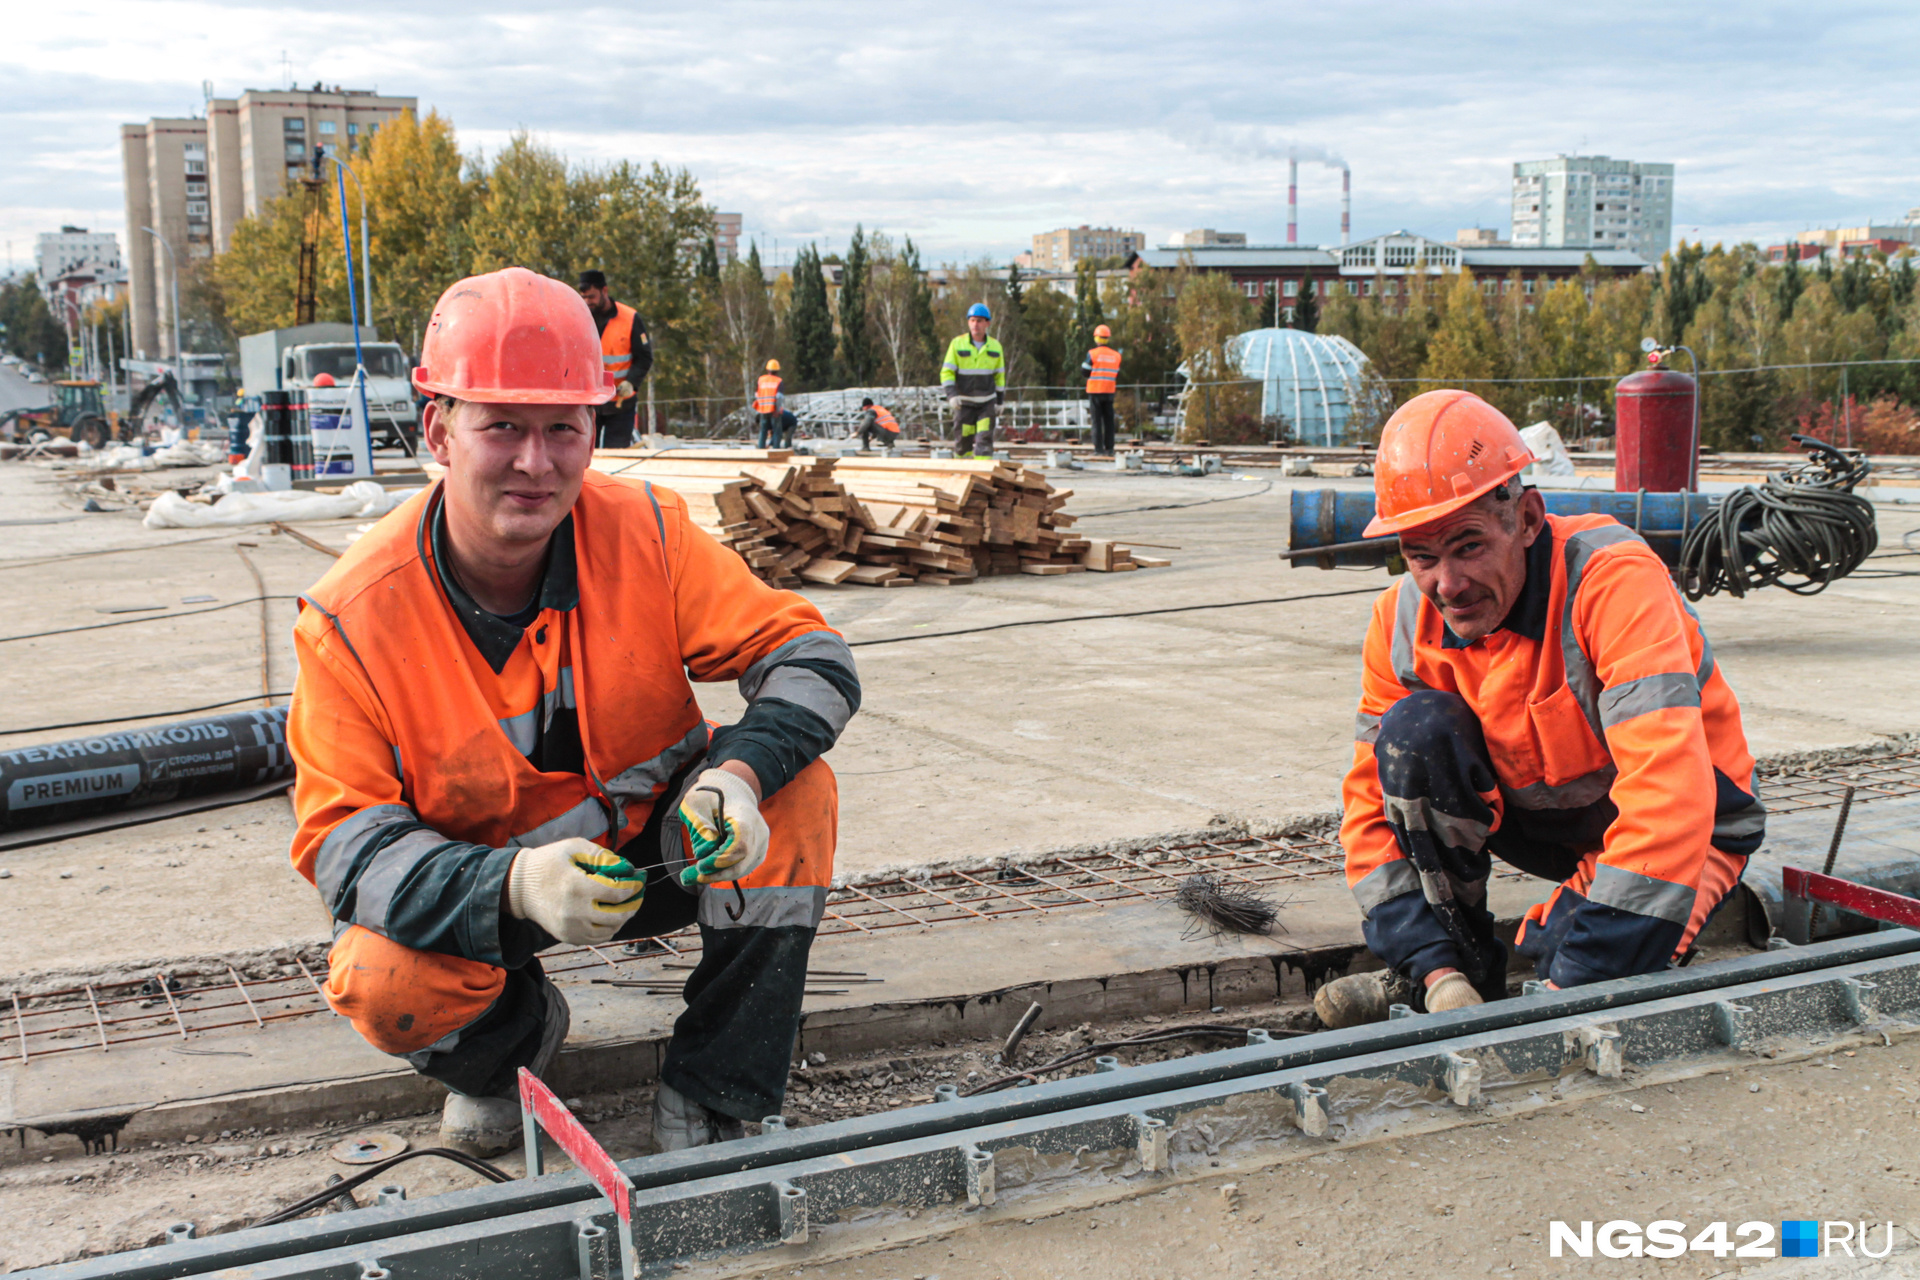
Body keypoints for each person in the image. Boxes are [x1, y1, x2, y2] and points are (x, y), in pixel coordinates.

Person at [287, 268, 860, 1156]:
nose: (536, 461)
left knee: (799, 794)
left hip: (660, 855)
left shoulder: (645, 534)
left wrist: (737, 779)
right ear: (439, 430)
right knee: (382, 979)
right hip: (494, 898)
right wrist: (511, 887)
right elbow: (347, 851)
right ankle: (506, 1053)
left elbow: (812, 656)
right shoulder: (354, 618)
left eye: (564, 427)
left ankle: (718, 1085)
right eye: (502, 426)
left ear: (596, 427)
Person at [1316, 390, 1764, 1028]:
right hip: (1548, 831)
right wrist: (1433, 968)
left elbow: (1670, 795)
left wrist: (1572, 992)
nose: (1447, 583)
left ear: (1525, 519)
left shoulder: (1612, 582)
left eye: (1468, 545)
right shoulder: (1399, 623)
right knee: (1414, 733)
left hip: (1696, 828)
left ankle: (1551, 956)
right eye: (1421, 557)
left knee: (1569, 966)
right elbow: (1370, 817)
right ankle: (1453, 970)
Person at [575, 270, 652, 450]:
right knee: (583, 453)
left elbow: (645, 357)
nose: (588, 302)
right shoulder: (579, 317)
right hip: (589, 400)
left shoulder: (630, 318)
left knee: (616, 452)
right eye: (584, 297)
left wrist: (631, 383)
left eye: (592, 297)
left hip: (621, 402)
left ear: (605, 291)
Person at [940, 303, 1005, 457]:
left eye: (980, 321)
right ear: (968, 322)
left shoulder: (995, 346)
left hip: (986, 404)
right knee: (963, 443)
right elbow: (947, 372)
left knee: (984, 442)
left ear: (987, 323)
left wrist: (1000, 401)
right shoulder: (957, 344)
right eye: (973, 320)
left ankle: (982, 477)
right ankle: (963, 474)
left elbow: (1000, 376)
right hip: (964, 404)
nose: (976, 324)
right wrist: (952, 395)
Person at [1081, 323, 1121, 456]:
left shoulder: (1092, 354)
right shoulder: (1116, 355)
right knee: (1109, 421)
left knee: (1096, 421)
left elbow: (1085, 372)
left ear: (1096, 338)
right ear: (1108, 338)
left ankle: (1098, 450)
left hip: (1095, 391)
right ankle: (1110, 449)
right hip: (1109, 391)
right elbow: (1117, 373)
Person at [755, 360, 783, 448]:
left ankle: (761, 450)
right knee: (777, 431)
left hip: (763, 409)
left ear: (768, 370)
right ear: (777, 371)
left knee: (763, 431)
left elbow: (757, 394)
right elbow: (779, 397)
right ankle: (776, 450)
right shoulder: (778, 381)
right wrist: (777, 410)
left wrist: (761, 406)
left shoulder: (761, 380)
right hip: (773, 409)